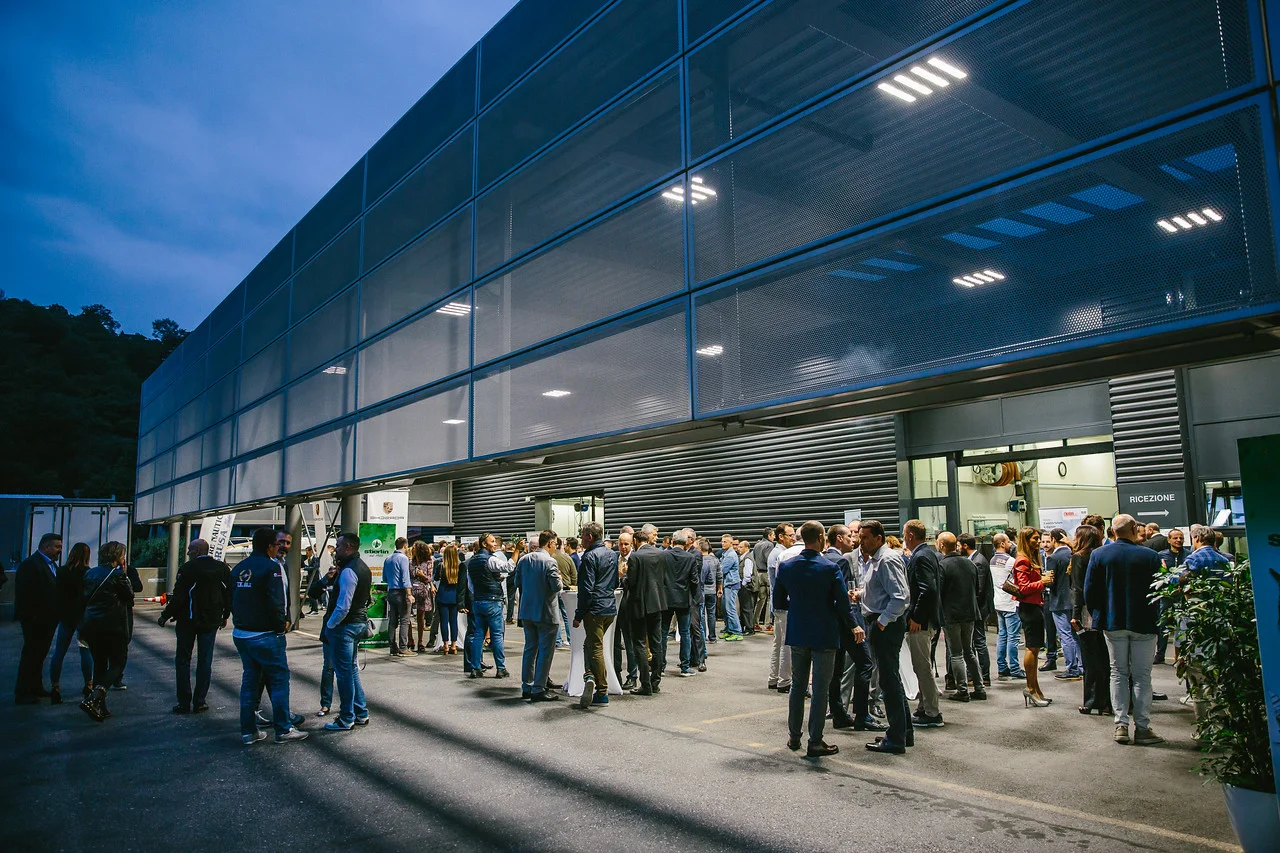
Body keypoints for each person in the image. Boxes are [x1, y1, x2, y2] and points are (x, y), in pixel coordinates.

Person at [774, 521, 853, 757]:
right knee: (820, 688)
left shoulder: (786, 566)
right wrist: (853, 624)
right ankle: (815, 740)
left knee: (797, 686)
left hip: (798, 631)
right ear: (820, 537)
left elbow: (779, 601)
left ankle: (794, 736)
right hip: (825, 632)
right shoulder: (830, 567)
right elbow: (843, 604)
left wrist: (799, 605)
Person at [1084, 514, 1164, 746]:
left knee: (1117, 673)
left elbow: (1090, 590)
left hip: (1112, 622)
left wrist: (1100, 613)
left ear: (1113, 531)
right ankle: (1143, 727)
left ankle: (1121, 725)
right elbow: (1159, 589)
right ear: (1133, 528)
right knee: (1142, 676)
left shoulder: (1099, 555)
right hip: (1144, 622)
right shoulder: (1150, 556)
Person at [232, 528, 308, 744]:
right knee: (279, 681)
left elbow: (231, 599)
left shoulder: (239, 567)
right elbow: (277, 602)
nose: (279, 548)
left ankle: (248, 731)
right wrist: (280, 626)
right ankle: (283, 729)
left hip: (242, 633)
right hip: (266, 634)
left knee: (250, 682)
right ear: (269, 546)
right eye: (276, 544)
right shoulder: (272, 568)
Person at [158, 538, 232, 714]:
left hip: (187, 621)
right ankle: (200, 701)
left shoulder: (188, 569)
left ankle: (184, 702)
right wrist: (225, 615)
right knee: (205, 661)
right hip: (211, 621)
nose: (188, 552)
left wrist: (165, 615)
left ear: (197, 551)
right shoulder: (222, 569)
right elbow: (229, 594)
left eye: (190, 549)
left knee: (183, 660)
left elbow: (179, 596)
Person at [858, 521, 912, 755]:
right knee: (891, 680)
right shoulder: (876, 559)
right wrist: (862, 595)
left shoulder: (887, 560)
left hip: (885, 626)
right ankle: (902, 732)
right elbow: (882, 590)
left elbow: (900, 597)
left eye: (865, 538)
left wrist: (882, 622)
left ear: (878, 538)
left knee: (889, 683)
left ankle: (896, 738)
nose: (860, 542)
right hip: (882, 623)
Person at [822, 524, 880, 731]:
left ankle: (838, 713)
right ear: (839, 538)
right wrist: (855, 624)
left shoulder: (822, 559)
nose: (853, 539)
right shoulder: (841, 561)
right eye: (849, 536)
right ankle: (862, 715)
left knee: (836, 670)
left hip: (829, 624)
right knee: (865, 664)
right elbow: (845, 598)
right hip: (846, 623)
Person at [76, 542, 135, 722]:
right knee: (118, 663)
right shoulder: (117, 575)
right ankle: (95, 698)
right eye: (122, 555)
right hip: (113, 626)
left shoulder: (90, 573)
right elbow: (129, 597)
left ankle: (100, 707)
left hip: (92, 626)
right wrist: (124, 574)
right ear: (117, 556)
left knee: (100, 664)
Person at [324, 531, 373, 733]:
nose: (335, 549)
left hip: (345, 627)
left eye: (337, 545)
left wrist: (330, 625)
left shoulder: (348, 571)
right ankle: (360, 712)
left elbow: (343, 606)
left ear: (348, 547)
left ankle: (346, 718)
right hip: (358, 623)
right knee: (351, 670)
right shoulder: (364, 567)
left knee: (344, 674)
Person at [573, 521, 619, 708]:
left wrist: (578, 615)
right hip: (609, 607)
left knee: (595, 648)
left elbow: (586, 589)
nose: (581, 539)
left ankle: (601, 691)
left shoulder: (589, 557)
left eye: (582, 536)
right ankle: (590, 676)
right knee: (590, 644)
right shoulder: (612, 554)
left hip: (595, 609)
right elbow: (615, 582)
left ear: (589, 537)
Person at [902, 520, 944, 728]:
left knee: (922, 667)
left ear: (910, 535)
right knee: (921, 666)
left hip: (922, 622)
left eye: (904, 535)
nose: (903, 539)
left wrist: (917, 617)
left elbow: (928, 590)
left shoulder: (920, 557)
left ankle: (932, 712)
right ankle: (924, 706)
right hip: (927, 619)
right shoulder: (928, 554)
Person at [936, 533, 986, 702]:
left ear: (942, 545)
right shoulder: (970, 563)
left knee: (956, 654)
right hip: (970, 613)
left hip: (951, 615)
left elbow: (939, 592)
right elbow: (977, 589)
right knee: (969, 652)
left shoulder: (942, 566)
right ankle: (979, 688)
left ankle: (962, 690)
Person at [14, 532, 62, 704]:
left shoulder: (51, 565)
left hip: (47, 619)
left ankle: (35, 686)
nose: (59, 550)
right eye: (57, 547)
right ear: (46, 547)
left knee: (39, 655)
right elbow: (25, 594)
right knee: (31, 655)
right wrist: (31, 616)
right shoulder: (31, 565)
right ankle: (23, 692)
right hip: (35, 620)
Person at [515, 531, 563, 702]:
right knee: (545, 652)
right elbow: (556, 586)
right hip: (546, 612)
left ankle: (527, 686)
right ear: (549, 543)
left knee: (530, 649)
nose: (555, 547)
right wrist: (560, 579)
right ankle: (539, 688)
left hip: (527, 611)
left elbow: (517, 582)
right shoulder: (550, 561)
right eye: (555, 544)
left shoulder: (523, 560)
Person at [622, 525, 669, 695]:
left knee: (640, 643)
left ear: (635, 541)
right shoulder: (661, 554)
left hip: (639, 605)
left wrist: (624, 576)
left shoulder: (635, 557)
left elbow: (631, 583)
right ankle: (655, 681)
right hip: (657, 604)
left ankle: (645, 684)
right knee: (657, 643)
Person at [1069, 524, 1110, 715]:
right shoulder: (1103, 555)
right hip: (1105, 610)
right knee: (1105, 657)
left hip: (1086, 612)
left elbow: (1078, 588)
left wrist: (1075, 615)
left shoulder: (1079, 557)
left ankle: (1092, 700)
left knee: (1090, 657)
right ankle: (1107, 700)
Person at [49, 542, 93, 705]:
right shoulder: (88, 573)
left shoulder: (61, 572)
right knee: (85, 651)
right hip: (82, 617)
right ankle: (88, 685)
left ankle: (55, 688)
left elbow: (57, 595)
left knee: (59, 653)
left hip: (66, 617)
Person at [1012, 526, 1052, 707]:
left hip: (1034, 606)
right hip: (1029, 608)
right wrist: (1042, 582)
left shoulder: (1029, 559)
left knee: (1035, 649)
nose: (1038, 542)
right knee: (1032, 648)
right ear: (1026, 540)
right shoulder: (1022, 560)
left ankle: (1035, 689)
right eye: (1035, 539)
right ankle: (1030, 688)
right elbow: (1024, 587)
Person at [466, 533, 509, 679]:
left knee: (478, 635)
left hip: (478, 601)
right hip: (493, 601)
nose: (495, 544)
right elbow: (508, 567)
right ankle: (501, 668)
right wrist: (516, 552)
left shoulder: (472, 562)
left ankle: (475, 667)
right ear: (484, 544)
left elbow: (471, 585)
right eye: (492, 541)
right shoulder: (491, 559)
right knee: (496, 635)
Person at [768, 524, 800, 691]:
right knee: (786, 644)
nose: (793, 538)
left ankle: (774, 678)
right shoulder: (781, 554)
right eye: (790, 535)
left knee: (778, 642)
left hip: (778, 604)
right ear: (781, 536)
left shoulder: (778, 553)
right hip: (784, 605)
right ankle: (784, 680)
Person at [665, 530, 701, 677]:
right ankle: (685, 667)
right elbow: (694, 580)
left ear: (672, 542)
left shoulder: (664, 556)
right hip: (684, 600)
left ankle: (660, 667)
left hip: (667, 599)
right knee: (685, 633)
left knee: (663, 632)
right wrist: (695, 598)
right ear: (686, 543)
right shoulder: (690, 558)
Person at [958, 533, 992, 686]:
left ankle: (984, 676)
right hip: (977, 608)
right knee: (974, 642)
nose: (957, 548)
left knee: (979, 642)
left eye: (959, 546)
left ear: (965, 546)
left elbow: (979, 589)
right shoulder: (974, 560)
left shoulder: (978, 562)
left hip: (979, 609)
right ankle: (976, 674)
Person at [989, 533, 1024, 679]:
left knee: (1002, 636)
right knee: (1013, 637)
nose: (1011, 544)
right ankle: (1015, 668)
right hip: (1011, 603)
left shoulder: (992, 560)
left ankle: (1002, 667)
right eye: (1008, 542)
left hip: (999, 602)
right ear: (1002, 544)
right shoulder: (1011, 561)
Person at [308, 561, 339, 716]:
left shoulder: (352, 574)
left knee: (348, 669)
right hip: (330, 626)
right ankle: (326, 704)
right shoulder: (332, 577)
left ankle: (350, 706)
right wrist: (325, 579)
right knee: (328, 667)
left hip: (345, 627)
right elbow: (312, 593)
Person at [1154, 528, 1187, 664]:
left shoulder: (1189, 555)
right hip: (1167, 595)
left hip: (1184, 594)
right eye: (1175, 538)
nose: (1178, 540)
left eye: (1181, 538)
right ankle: (1160, 654)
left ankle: (1182, 656)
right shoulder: (1161, 555)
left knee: (1183, 624)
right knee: (1163, 624)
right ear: (1169, 540)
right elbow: (1159, 575)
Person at [383, 537, 415, 657]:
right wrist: (409, 594)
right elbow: (405, 578)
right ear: (405, 545)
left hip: (391, 592)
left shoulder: (388, 559)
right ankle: (403, 647)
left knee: (392, 620)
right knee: (405, 620)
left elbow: (384, 578)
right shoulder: (403, 558)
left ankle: (392, 647)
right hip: (401, 593)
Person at [435, 544, 464, 656]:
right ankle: (454, 645)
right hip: (455, 596)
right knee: (454, 621)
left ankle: (446, 645)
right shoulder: (460, 566)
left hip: (443, 595)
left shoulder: (441, 566)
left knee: (444, 621)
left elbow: (436, 578)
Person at [410, 541, 435, 653]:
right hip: (411, 591)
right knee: (407, 617)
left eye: (414, 548)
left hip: (422, 591)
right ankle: (410, 640)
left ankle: (420, 641)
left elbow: (429, 578)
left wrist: (422, 575)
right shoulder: (410, 562)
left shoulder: (428, 562)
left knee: (421, 616)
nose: (412, 549)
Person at [552, 539, 577, 648]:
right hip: (567, 590)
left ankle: (557, 641)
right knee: (567, 616)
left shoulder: (550, 558)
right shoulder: (567, 558)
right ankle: (571, 639)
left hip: (554, 590)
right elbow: (574, 574)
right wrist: (572, 585)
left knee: (555, 616)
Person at [719, 534, 744, 640]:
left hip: (731, 584)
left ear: (730, 543)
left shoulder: (730, 555)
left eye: (725, 542)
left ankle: (737, 632)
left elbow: (722, 570)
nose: (722, 543)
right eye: (722, 541)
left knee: (730, 608)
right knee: (725, 608)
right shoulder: (726, 553)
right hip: (727, 584)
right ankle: (729, 630)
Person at [752, 528, 776, 632]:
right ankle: (768, 624)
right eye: (773, 535)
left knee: (760, 599)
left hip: (758, 574)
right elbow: (768, 559)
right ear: (769, 535)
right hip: (767, 574)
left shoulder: (757, 545)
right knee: (770, 599)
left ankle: (755, 623)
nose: (774, 537)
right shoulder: (770, 545)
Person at [737, 540, 759, 635]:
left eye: (741, 547)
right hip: (745, 586)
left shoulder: (747, 559)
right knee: (744, 607)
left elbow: (747, 575)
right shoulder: (743, 558)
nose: (738, 548)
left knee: (747, 608)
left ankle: (749, 628)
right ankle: (745, 626)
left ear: (747, 548)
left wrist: (743, 585)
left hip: (747, 587)